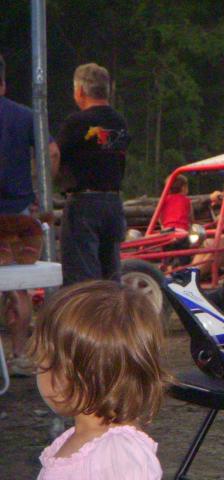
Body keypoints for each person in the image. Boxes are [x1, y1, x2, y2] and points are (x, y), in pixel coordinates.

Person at [29, 280, 170, 479]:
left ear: (68, 375)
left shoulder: (118, 454)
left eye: (41, 363)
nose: (37, 372)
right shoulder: (84, 440)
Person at [0, 53, 60, 376]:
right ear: (4, 83)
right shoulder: (24, 115)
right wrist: (41, 191)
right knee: (18, 285)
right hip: (19, 211)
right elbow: (52, 152)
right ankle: (19, 354)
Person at [56, 63, 130, 286]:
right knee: (111, 274)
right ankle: (112, 308)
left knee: (83, 276)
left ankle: (89, 309)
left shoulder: (76, 123)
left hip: (84, 203)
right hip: (113, 202)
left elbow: (55, 155)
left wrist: (46, 182)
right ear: (108, 89)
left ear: (80, 91)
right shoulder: (119, 122)